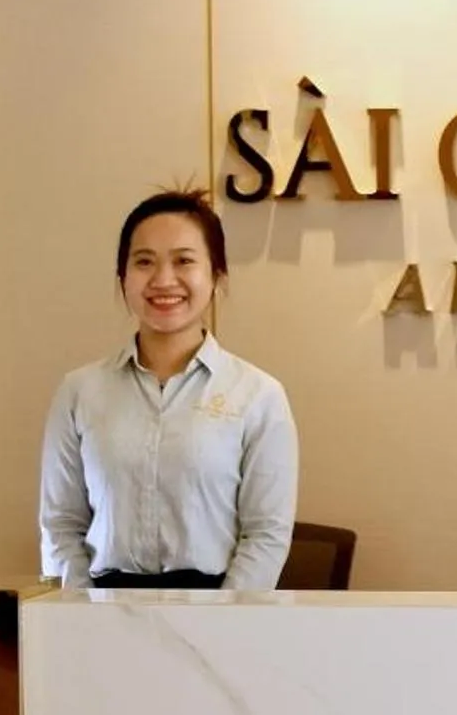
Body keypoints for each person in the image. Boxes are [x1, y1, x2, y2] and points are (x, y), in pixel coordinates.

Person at [39, 187, 298, 591]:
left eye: (184, 261)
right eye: (144, 262)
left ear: (216, 276)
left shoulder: (258, 395)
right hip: (101, 611)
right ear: (123, 278)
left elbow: (266, 534)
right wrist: (79, 615)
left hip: (217, 614)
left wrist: (221, 622)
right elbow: (60, 525)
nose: (163, 280)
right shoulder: (79, 392)